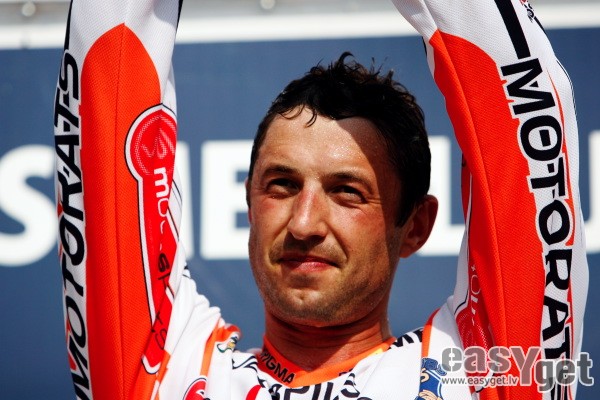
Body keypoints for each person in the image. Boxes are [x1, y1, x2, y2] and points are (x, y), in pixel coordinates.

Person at [53, 0, 587, 399]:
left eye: (347, 192)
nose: (304, 223)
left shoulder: (485, 375)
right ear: (248, 201)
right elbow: (108, 80)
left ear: (416, 225)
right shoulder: (166, 375)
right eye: (281, 185)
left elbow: (522, 124)